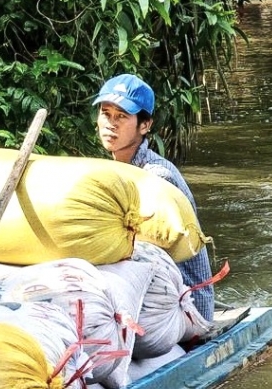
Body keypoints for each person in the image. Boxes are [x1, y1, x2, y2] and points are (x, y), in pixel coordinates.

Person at [92, 73, 216, 320]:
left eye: (121, 116)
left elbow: (148, 254)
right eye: (106, 113)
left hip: (185, 303)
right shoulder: (116, 171)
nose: (111, 123)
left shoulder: (156, 176)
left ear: (145, 125)